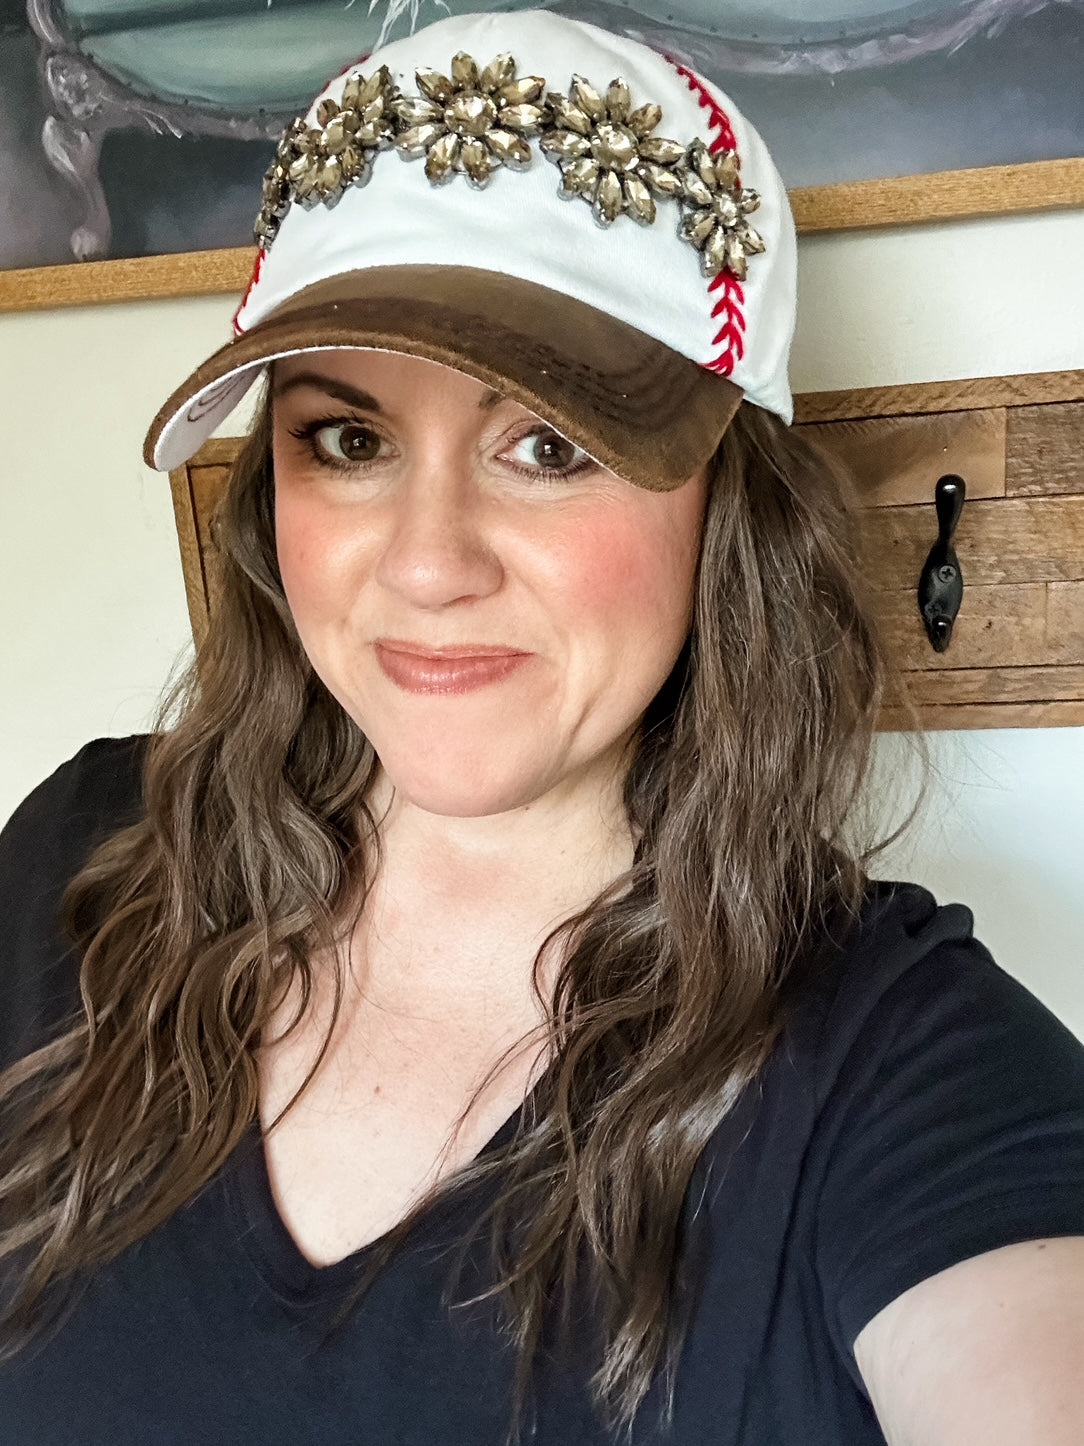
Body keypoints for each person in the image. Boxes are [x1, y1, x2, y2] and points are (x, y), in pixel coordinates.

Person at [1, 9, 1082, 1444]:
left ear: (727, 502)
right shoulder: (85, 854)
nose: (428, 563)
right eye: (349, 440)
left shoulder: (902, 1065)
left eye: (549, 447)